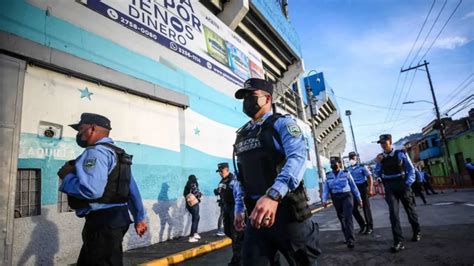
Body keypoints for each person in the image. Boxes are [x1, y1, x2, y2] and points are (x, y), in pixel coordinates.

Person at [232, 78, 320, 265]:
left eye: (252, 96)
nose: (247, 100)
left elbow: (297, 158)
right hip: (256, 217)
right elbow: (242, 176)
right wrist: (239, 208)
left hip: (289, 214)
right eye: (244, 96)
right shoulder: (242, 134)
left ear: (268, 99)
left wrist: (273, 196)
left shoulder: (282, 124)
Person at [58, 113, 148, 265]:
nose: (78, 134)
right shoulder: (118, 153)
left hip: (102, 222)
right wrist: (139, 217)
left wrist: (66, 178)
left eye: (80, 129)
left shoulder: (95, 152)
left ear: (92, 128)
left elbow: (92, 191)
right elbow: (131, 189)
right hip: (118, 219)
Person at [374, 134, 421, 253]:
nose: (382, 145)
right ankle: (398, 241)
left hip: (402, 184)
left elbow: (411, 170)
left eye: (384, 142)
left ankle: (416, 231)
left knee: (410, 210)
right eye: (381, 143)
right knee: (393, 214)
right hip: (390, 186)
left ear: (390, 141)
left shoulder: (401, 153)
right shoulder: (380, 157)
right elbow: (377, 173)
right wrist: (378, 163)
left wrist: (407, 183)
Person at [322, 157, 362, 248]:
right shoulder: (328, 175)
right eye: (331, 163)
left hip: (347, 196)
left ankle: (350, 240)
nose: (333, 165)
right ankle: (346, 237)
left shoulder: (346, 173)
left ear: (339, 163)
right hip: (336, 197)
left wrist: (359, 199)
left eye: (334, 163)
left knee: (348, 217)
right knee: (341, 218)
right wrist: (324, 200)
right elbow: (326, 189)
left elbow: (353, 187)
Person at [215, 162, 244, 265]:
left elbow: (238, 194)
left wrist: (239, 211)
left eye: (221, 171)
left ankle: (237, 259)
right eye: (219, 171)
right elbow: (221, 191)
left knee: (236, 234)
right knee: (228, 231)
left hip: (233, 207)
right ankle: (241, 248)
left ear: (227, 169)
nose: (220, 173)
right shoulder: (222, 181)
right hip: (225, 207)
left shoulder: (233, 179)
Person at [347, 152, 374, 234]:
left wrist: (370, 189)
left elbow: (369, 177)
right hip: (353, 189)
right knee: (353, 209)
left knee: (366, 208)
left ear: (357, 158)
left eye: (353, 157)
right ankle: (362, 225)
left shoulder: (362, 167)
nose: (352, 159)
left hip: (362, 188)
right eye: (350, 158)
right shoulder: (348, 169)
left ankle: (370, 227)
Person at [183, 174, 202, 242]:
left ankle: (195, 233)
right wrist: (200, 194)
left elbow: (185, 194)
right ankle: (191, 237)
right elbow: (196, 193)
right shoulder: (193, 184)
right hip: (194, 204)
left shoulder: (187, 185)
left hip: (189, 204)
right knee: (195, 218)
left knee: (197, 217)